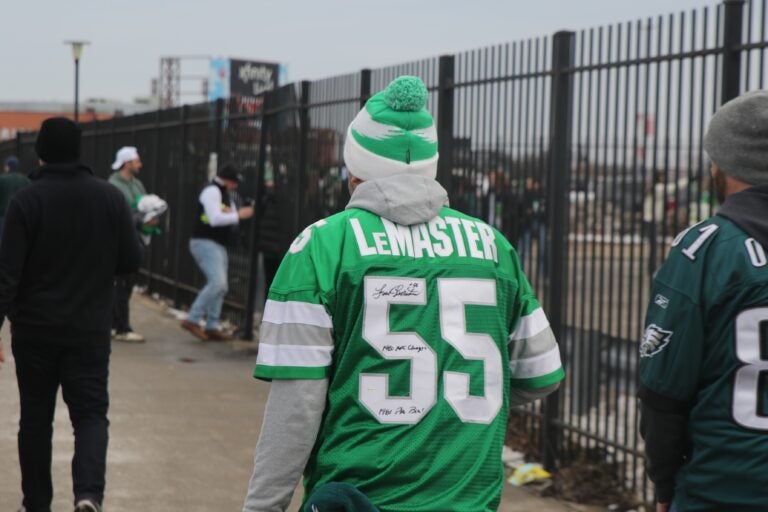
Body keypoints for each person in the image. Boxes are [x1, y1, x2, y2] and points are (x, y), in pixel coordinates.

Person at [242, 76, 565, 512]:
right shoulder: (494, 247)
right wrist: (450, 406)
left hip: (362, 496)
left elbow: (297, 407)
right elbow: (540, 374)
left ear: (354, 168)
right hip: (467, 499)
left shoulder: (321, 247)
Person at [0, 118, 141, 512]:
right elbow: (131, 260)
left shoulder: (25, 202)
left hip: (34, 333)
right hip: (88, 330)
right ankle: (88, 495)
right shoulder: (110, 199)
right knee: (91, 415)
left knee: (35, 420)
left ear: (41, 152)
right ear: (79, 152)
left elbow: (6, 273)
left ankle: (37, 503)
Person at [638, 90, 768, 512]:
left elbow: (663, 391)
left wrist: (662, 481)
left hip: (724, 486)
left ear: (725, 163)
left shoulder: (706, 249)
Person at [181, 164, 254, 341]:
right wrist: (239, 215)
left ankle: (212, 325)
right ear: (228, 180)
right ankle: (192, 318)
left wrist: (231, 212)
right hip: (205, 242)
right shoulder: (213, 191)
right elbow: (214, 219)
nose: (236, 186)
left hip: (215, 243)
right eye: (235, 182)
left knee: (221, 286)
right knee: (218, 283)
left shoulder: (219, 193)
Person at [108, 146, 149, 343]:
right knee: (121, 284)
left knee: (127, 283)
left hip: (135, 238)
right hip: (120, 240)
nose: (140, 164)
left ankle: (116, 324)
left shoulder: (136, 184)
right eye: (137, 161)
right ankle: (121, 326)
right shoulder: (114, 185)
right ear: (127, 163)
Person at [0, 155, 31, 236]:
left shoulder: (2, 179)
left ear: (8, 167)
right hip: (23, 218)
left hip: (4, 216)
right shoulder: (27, 180)